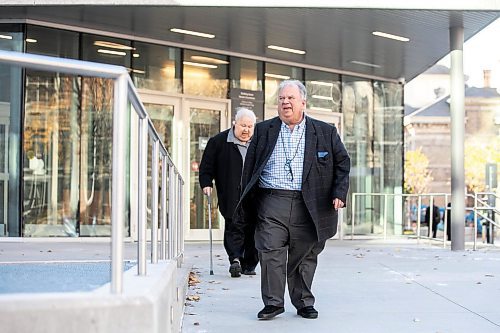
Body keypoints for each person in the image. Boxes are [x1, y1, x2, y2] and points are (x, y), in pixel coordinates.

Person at [233, 80, 351, 320]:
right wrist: (249, 198)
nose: (285, 102)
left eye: (290, 98)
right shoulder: (264, 130)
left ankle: (304, 301)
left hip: (309, 204)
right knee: (270, 251)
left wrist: (339, 193)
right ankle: (273, 303)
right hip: (271, 200)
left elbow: (342, 163)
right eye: (281, 99)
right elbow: (250, 168)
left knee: (304, 255)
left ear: (303, 103)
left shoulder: (324, 131)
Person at [199, 107, 259, 278]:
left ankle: (250, 263)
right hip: (230, 193)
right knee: (234, 226)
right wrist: (206, 183)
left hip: (254, 195)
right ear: (235, 124)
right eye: (243, 126)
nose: (246, 130)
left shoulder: (258, 143)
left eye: (250, 126)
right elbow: (206, 167)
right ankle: (235, 260)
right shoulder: (219, 141)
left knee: (253, 229)